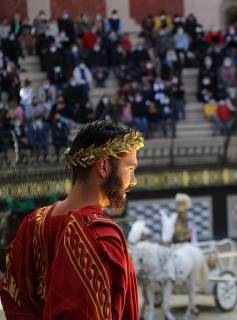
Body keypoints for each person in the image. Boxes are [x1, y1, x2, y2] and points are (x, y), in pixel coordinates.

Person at [0, 120, 143, 319]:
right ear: (103, 167)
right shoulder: (100, 234)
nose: (134, 181)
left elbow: (13, 300)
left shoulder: (32, 223)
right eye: (130, 169)